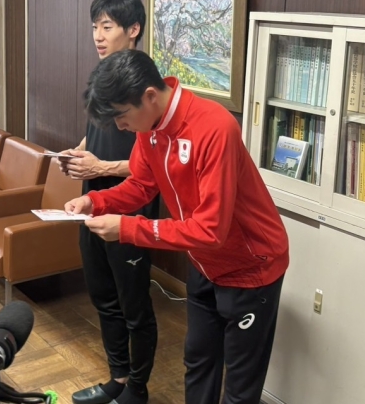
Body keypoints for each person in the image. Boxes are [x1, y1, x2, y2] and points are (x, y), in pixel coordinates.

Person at [65, 49, 290, 404]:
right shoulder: (151, 127)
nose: (120, 127)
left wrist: (128, 229)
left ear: (149, 96)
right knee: (198, 363)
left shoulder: (214, 127)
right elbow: (142, 185)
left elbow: (211, 230)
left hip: (250, 267)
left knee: (239, 388)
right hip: (203, 260)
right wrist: (96, 201)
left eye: (121, 116)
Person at [59, 0, 158, 404]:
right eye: (94, 27)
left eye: (107, 26)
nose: (98, 36)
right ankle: (117, 377)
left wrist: (100, 168)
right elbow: (96, 134)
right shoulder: (102, 78)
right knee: (102, 295)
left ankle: (138, 388)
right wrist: (79, 152)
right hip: (93, 204)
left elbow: (150, 167)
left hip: (130, 209)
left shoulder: (145, 89)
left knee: (134, 304)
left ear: (133, 29)